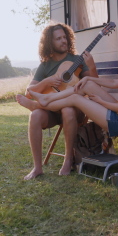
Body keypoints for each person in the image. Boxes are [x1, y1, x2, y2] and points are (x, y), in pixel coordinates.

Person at [16, 22, 98, 180]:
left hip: (75, 110)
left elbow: (95, 84)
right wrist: (47, 82)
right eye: (58, 38)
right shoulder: (45, 65)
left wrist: (92, 67)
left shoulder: (77, 60)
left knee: (67, 110)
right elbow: (29, 92)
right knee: (35, 116)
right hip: (53, 112)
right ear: (50, 43)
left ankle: (68, 160)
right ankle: (37, 168)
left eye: (64, 37)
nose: (63, 41)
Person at [30, 38, 118, 140]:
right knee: (86, 85)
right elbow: (114, 82)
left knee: (75, 98)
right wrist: (89, 79)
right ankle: (47, 98)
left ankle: (42, 103)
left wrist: (100, 101)